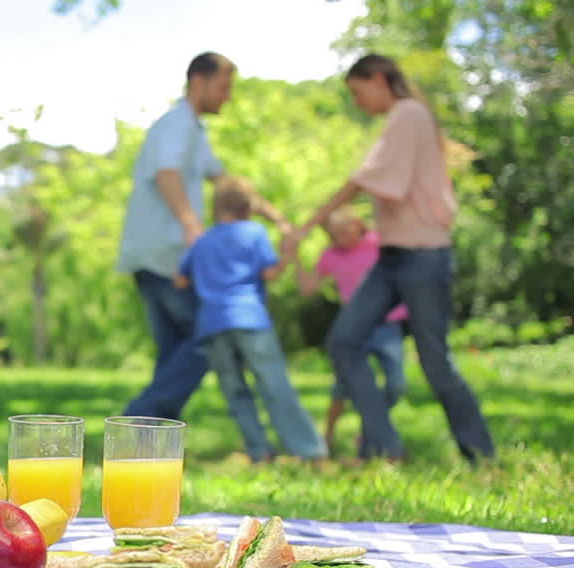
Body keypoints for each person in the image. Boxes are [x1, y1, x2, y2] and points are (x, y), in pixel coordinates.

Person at [284, 54, 494, 462]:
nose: (357, 102)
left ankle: (481, 455)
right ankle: (385, 447)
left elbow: (366, 182)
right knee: (344, 342)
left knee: (435, 362)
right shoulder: (401, 119)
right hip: (391, 258)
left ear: (378, 79)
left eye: (357, 92)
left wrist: (309, 226)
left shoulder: (409, 114)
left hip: (424, 257)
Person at [118, 52, 286, 420]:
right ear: (199, 81)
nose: (227, 96)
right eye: (224, 87)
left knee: (174, 349)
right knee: (206, 339)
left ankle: (149, 438)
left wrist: (274, 215)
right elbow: (167, 174)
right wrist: (193, 226)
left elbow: (225, 182)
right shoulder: (176, 124)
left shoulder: (194, 130)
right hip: (165, 255)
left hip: (157, 255)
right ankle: (138, 417)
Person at [175, 178, 326, 462]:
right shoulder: (254, 232)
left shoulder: (202, 241)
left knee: (235, 391)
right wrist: (287, 257)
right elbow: (269, 273)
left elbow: (180, 280)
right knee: (274, 384)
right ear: (248, 206)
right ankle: (307, 450)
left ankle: (259, 451)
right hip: (250, 317)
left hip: (212, 322)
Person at [298, 208, 408, 451]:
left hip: (387, 324)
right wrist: (295, 254)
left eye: (345, 231)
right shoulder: (331, 255)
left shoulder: (379, 243)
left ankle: (372, 426)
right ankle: (327, 435)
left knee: (397, 384)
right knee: (342, 388)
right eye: (335, 235)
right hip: (354, 327)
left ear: (359, 225)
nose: (341, 239)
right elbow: (307, 289)